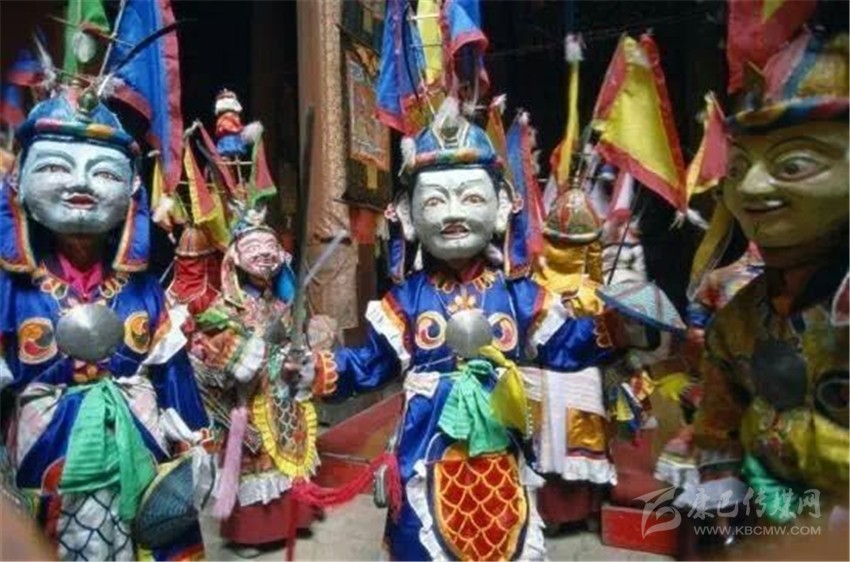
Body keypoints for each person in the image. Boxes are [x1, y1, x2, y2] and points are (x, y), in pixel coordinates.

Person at [306, 99, 632, 561]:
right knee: (420, 539)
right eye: (434, 201)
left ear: (502, 207)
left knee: (505, 538)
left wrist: (616, 325)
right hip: (425, 447)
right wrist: (317, 370)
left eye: (472, 198)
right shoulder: (407, 299)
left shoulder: (518, 294)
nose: (452, 214)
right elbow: (371, 364)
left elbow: (563, 346)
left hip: (500, 446)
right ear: (408, 214)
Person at [0, 85, 210, 560]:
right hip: (45, 457)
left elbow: (172, 376)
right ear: (19, 181)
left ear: (133, 188)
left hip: (141, 448)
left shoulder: (144, 290)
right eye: (55, 167)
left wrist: (196, 443)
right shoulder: (9, 290)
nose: (82, 185)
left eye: (104, 172)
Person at [678, 30, 848, 538]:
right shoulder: (737, 320)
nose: (751, 188)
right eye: (738, 168)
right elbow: (719, 421)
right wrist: (722, 483)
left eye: (792, 164)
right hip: (775, 519)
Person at [191, 205, 318, 553]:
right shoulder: (224, 307)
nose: (264, 254)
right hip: (248, 396)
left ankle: (294, 519)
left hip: (285, 392)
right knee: (255, 458)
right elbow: (206, 350)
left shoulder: (286, 301)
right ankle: (253, 534)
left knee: (293, 449)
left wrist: (301, 354)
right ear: (234, 257)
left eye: (270, 246)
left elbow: (300, 339)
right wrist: (242, 351)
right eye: (253, 247)